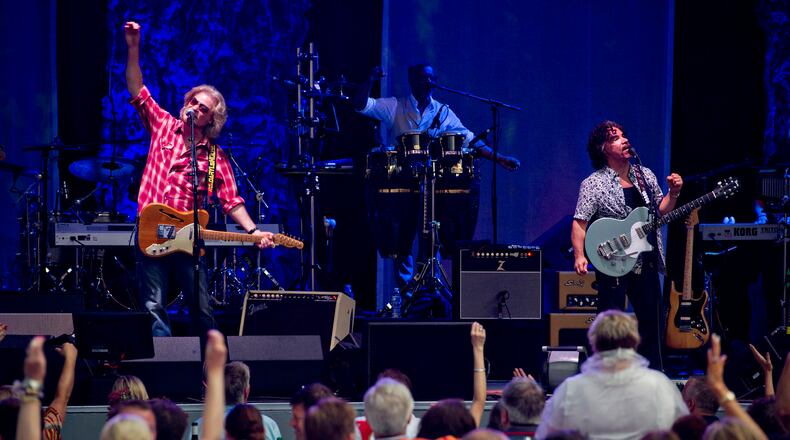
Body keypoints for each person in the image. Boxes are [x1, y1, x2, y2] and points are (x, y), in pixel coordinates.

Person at [123, 21, 275, 336]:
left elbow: (232, 201)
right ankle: (162, 373)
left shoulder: (214, 157)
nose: (192, 107)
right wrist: (133, 47)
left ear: (211, 120)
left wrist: (254, 231)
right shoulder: (164, 125)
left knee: (202, 308)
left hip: (187, 237)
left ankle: (212, 370)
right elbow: (137, 90)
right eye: (192, 101)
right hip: (151, 228)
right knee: (153, 305)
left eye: (201, 107)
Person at [354, 64, 521, 289]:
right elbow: (361, 105)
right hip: (402, 185)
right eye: (422, 78)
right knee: (403, 240)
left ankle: (430, 291)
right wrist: (369, 79)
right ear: (412, 80)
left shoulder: (442, 111)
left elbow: (470, 138)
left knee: (432, 236)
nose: (427, 82)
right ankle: (406, 296)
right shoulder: (395, 106)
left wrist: (499, 158)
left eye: (430, 78)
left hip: (432, 186)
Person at [571, 120, 683, 368]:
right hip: (613, 259)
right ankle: (604, 372)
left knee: (651, 321)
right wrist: (580, 255)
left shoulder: (645, 176)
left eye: (623, 135)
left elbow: (660, 214)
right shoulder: (593, 183)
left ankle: (651, 373)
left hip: (646, 258)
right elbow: (580, 223)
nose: (623, 140)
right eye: (614, 138)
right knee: (610, 322)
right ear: (602, 148)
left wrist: (673, 194)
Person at [535, 310, 689, 439]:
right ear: (635, 341)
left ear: (593, 342)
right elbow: (684, 432)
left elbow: (545, 435)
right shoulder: (660, 384)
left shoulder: (570, 389)